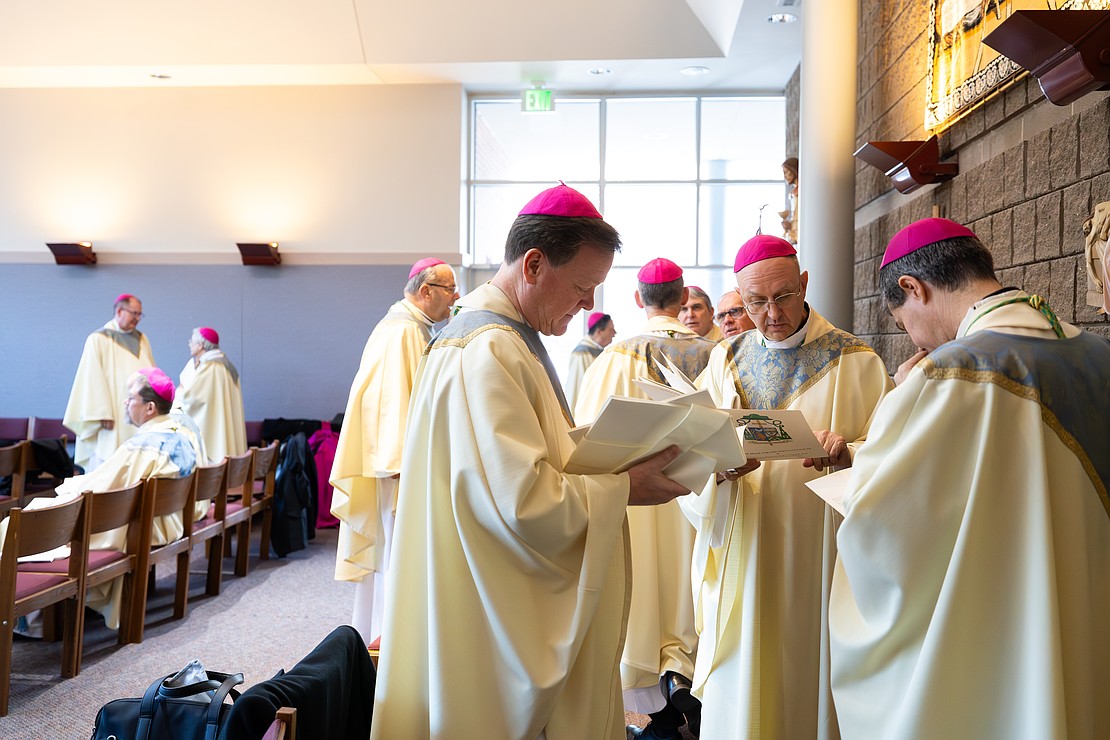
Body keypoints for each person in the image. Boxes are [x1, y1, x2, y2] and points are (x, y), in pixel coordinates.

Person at [370, 183, 694, 740]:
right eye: (582, 287)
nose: (589, 305)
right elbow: (522, 501)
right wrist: (624, 488)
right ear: (534, 264)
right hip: (490, 608)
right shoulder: (489, 349)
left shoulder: (501, 337)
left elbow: (525, 456)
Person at [829, 218, 1110, 739]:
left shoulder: (945, 375)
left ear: (914, 288)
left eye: (903, 320)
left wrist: (899, 395)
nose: (912, 338)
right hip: (1090, 609)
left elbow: (879, 520)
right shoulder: (1096, 352)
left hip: (998, 620)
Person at [686, 235, 892, 740]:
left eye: (783, 296)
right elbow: (693, 448)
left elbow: (891, 456)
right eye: (755, 302)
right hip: (745, 547)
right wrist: (716, 469)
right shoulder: (725, 358)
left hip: (818, 555)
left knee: (807, 679)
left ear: (804, 284)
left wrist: (847, 454)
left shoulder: (856, 360)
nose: (771, 314)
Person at [574, 258, 720, 740]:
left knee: (645, 603)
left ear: (638, 299)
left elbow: (585, 442)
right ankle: (693, 690)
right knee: (695, 596)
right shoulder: (718, 354)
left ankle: (658, 713)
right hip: (700, 499)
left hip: (638, 504)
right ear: (683, 299)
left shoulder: (612, 360)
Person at [330, 257, 459, 645]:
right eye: (450, 290)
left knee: (394, 559)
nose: (455, 299)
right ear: (425, 291)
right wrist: (405, 464)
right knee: (396, 558)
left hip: (400, 463)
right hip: (400, 468)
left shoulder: (407, 327)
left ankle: (384, 636)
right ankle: (390, 643)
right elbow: (393, 404)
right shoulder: (403, 332)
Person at [53, 368, 206, 631]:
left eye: (130, 398)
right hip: (169, 522)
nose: (126, 402)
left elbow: (99, 488)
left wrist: (67, 488)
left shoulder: (143, 446)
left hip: (144, 529)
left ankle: (33, 623)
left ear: (149, 407)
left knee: (37, 524)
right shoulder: (182, 435)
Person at [63, 293, 156, 472]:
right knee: (109, 460)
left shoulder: (142, 339)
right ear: (119, 311)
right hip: (112, 413)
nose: (137, 319)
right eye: (134, 313)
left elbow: (151, 372)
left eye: (139, 315)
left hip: (139, 412)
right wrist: (101, 413)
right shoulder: (99, 339)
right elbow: (91, 378)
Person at [172, 327, 247, 464]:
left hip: (210, 431)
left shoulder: (210, 367)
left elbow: (191, 398)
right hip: (219, 422)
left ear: (200, 345)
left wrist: (180, 390)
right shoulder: (227, 365)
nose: (189, 344)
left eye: (192, 341)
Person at [563, 311, 616, 411]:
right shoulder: (582, 354)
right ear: (599, 331)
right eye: (611, 330)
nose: (614, 334)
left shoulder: (601, 353)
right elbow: (577, 390)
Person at [779, 156, 799, 244]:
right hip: (794, 233)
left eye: (786, 172)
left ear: (794, 170)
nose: (785, 176)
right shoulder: (793, 192)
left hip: (801, 232)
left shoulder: (803, 190)